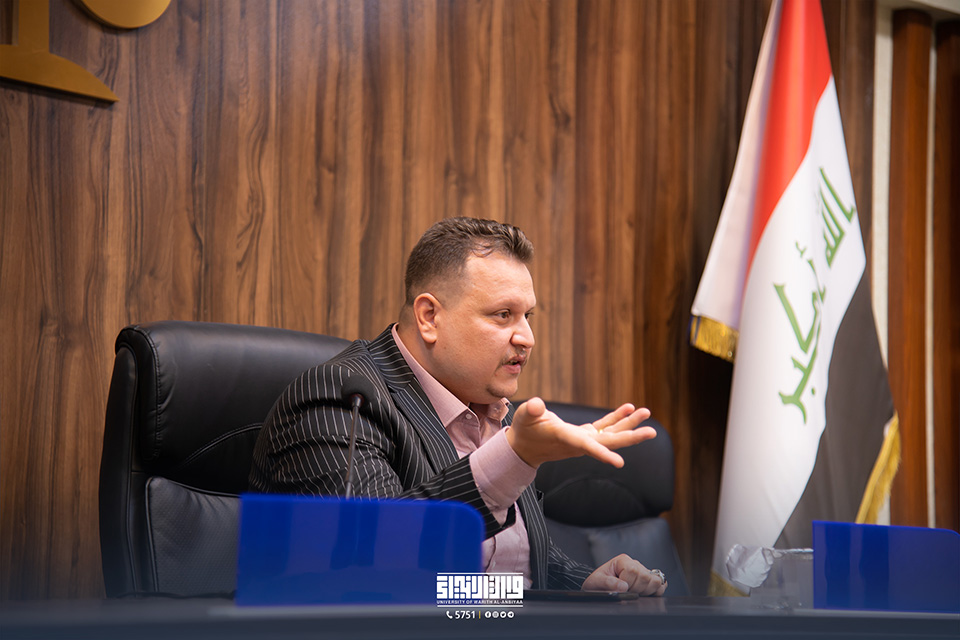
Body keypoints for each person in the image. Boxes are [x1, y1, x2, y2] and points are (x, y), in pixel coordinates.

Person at [249, 217, 667, 596]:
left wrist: (583, 583)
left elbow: (502, 574)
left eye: (528, 316)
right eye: (503, 315)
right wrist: (513, 457)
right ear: (429, 317)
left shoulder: (494, 407)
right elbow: (372, 557)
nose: (527, 337)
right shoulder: (341, 397)